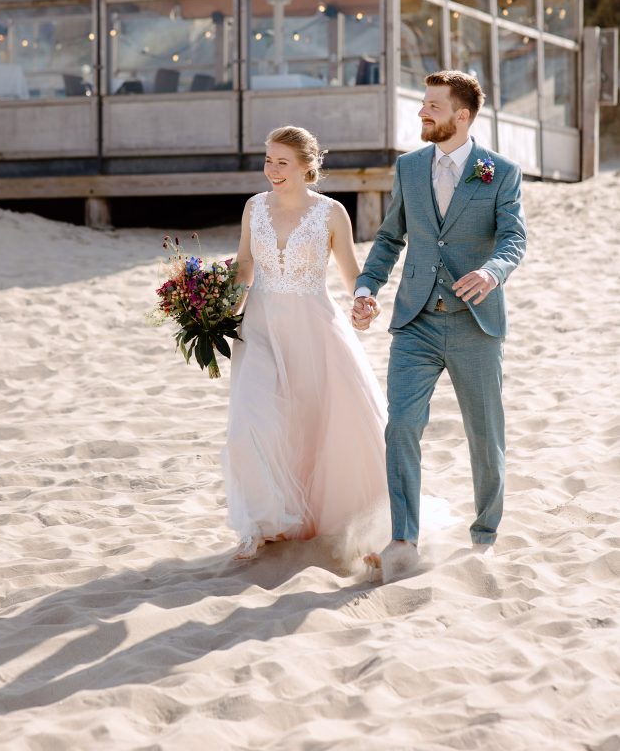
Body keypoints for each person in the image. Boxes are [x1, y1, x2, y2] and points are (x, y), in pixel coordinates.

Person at [352, 71, 527, 579]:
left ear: (461, 116)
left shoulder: (501, 172)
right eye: (423, 104)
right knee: (401, 425)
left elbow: (513, 240)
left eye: (432, 105)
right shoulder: (408, 168)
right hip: (416, 320)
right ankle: (404, 539)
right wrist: (367, 288)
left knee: (484, 433)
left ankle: (485, 535)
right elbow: (389, 239)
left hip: (476, 324)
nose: (422, 112)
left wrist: (492, 273)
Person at [222, 125, 389, 561]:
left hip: (313, 329)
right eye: (268, 160)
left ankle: (310, 520)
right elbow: (244, 264)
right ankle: (259, 522)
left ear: (306, 166)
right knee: (249, 424)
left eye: (282, 162)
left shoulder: (331, 213)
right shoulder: (253, 207)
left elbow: (353, 273)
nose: (271, 170)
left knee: (312, 426)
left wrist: (365, 300)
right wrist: (223, 307)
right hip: (257, 326)